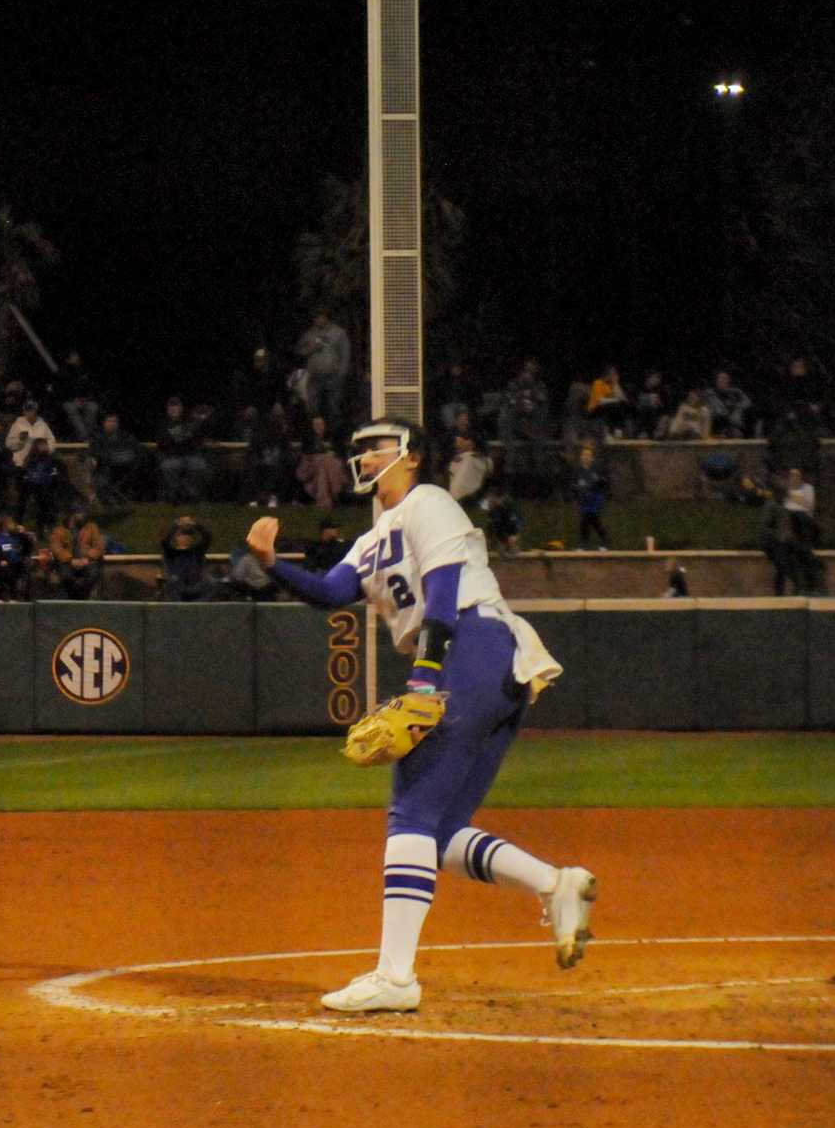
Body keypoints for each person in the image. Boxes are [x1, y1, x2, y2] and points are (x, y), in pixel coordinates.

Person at [247, 421, 590, 1013]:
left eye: (377, 447)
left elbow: (445, 585)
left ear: (410, 457)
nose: (365, 456)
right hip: (490, 661)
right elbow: (331, 591)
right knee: (438, 832)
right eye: (360, 449)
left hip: (471, 645)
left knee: (409, 813)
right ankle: (556, 885)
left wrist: (427, 677)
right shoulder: (371, 538)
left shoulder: (428, 501)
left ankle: (396, 977)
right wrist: (272, 562)